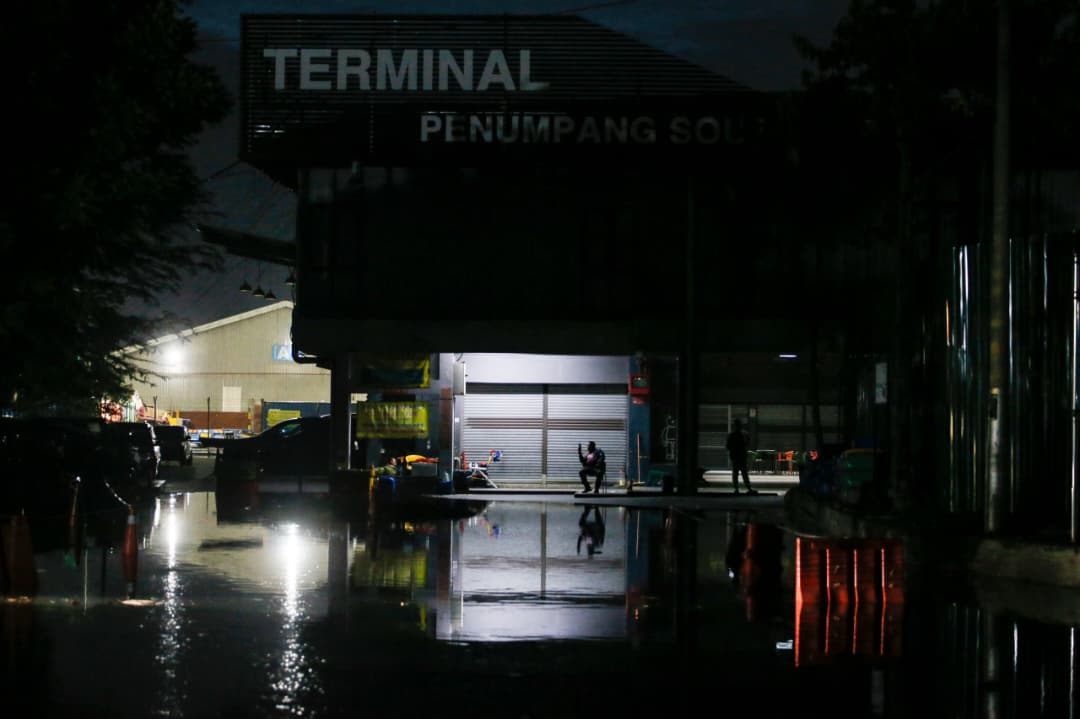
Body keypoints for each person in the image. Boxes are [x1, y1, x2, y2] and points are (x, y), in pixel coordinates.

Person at [726, 418, 757, 494]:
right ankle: (748, 488)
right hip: (742, 456)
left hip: (735, 456)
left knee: (735, 473)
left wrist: (733, 451)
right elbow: (748, 444)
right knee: (744, 473)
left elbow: (728, 446)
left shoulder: (732, 435)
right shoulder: (744, 434)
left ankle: (736, 489)